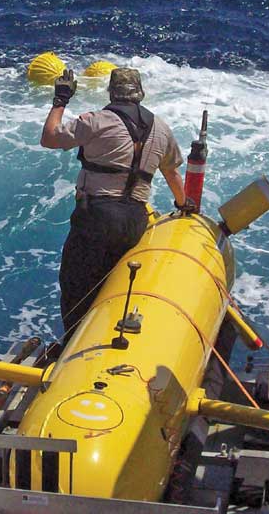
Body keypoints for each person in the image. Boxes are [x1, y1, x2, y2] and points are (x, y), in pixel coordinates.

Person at [40, 67, 195, 339]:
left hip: (97, 218)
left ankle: (74, 347)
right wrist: (184, 206)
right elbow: (172, 173)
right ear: (140, 93)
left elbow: (49, 138)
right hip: (135, 221)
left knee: (77, 287)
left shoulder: (97, 121)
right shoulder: (161, 128)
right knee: (113, 285)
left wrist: (60, 100)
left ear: (112, 92)